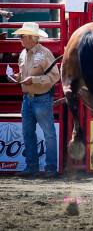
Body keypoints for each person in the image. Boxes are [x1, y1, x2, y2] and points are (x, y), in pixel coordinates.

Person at [8, 22, 60, 178]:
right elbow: (25, 75)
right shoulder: (24, 54)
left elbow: (55, 76)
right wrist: (16, 77)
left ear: (31, 38)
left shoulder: (45, 53)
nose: (20, 39)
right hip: (30, 99)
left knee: (47, 133)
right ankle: (34, 167)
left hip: (41, 98)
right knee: (29, 134)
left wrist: (34, 80)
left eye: (22, 36)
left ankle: (49, 168)